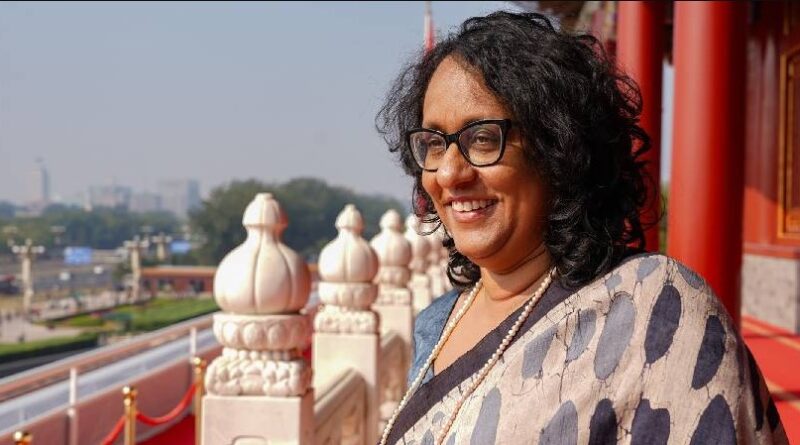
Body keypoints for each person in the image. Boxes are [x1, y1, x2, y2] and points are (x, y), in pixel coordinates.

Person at [375, 11, 788, 445]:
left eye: (482, 138)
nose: (449, 173)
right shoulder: (437, 323)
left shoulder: (655, 311)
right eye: (434, 144)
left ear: (558, 149)